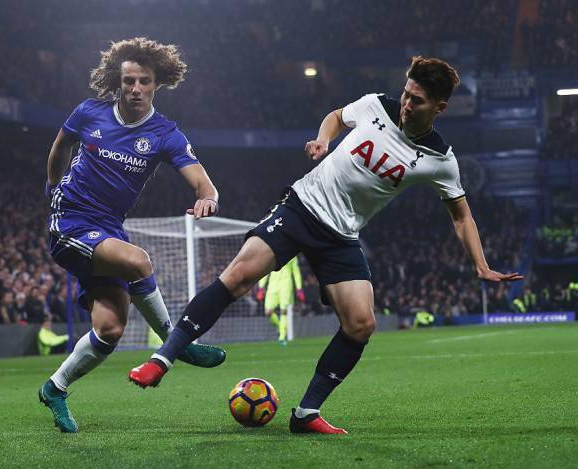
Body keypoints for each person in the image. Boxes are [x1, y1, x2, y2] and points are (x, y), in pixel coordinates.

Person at [129, 56, 523, 434]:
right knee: (239, 276)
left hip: (341, 236)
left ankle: (306, 412)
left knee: (361, 323)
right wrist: (323, 140)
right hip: (301, 207)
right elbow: (337, 116)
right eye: (405, 93)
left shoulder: (439, 159)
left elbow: (461, 215)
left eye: (416, 100)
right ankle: (161, 360)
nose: (405, 104)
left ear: (439, 107)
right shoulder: (374, 106)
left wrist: (481, 264)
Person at [38, 37, 226, 433]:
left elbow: (202, 182)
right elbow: (59, 148)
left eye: (144, 81)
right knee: (139, 260)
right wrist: (53, 188)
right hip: (71, 219)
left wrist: (207, 198)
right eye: (128, 82)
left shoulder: (164, 133)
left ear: (157, 84)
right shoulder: (89, 113)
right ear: (116, 83)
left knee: (110, 329)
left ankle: (55, 388)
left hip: (107, 227)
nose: (136, 89)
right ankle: (178, 345)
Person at [255, 256, 305, 346]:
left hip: (286, 286)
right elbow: (266, 270)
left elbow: (296, 273)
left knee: (283, 311)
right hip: (272, 286)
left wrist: (299, 288)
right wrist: (261, 287)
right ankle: (280, 327)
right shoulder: (272, 252)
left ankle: (282, 337)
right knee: (268, 312)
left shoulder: (293, 256)